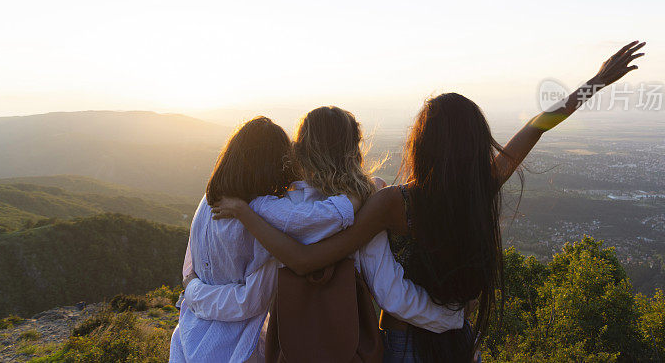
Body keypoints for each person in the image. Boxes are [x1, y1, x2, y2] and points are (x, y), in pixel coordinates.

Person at [211, 41, 646, 362]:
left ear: (424, 144)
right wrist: (596, 82)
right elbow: (538, 126)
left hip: (404, 342)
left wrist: (248, 213)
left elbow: (309, 262)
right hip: (460, 341)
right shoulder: (483, 186)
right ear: (475, 143)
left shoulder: (393, 204)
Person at [170, 114, 463, 363]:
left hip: (212, 342)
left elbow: (191, 269)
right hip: (315, 349)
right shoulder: (287, 214)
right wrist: (452, 317)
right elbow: (392, 295)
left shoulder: (222, 205)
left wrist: (192, 290)